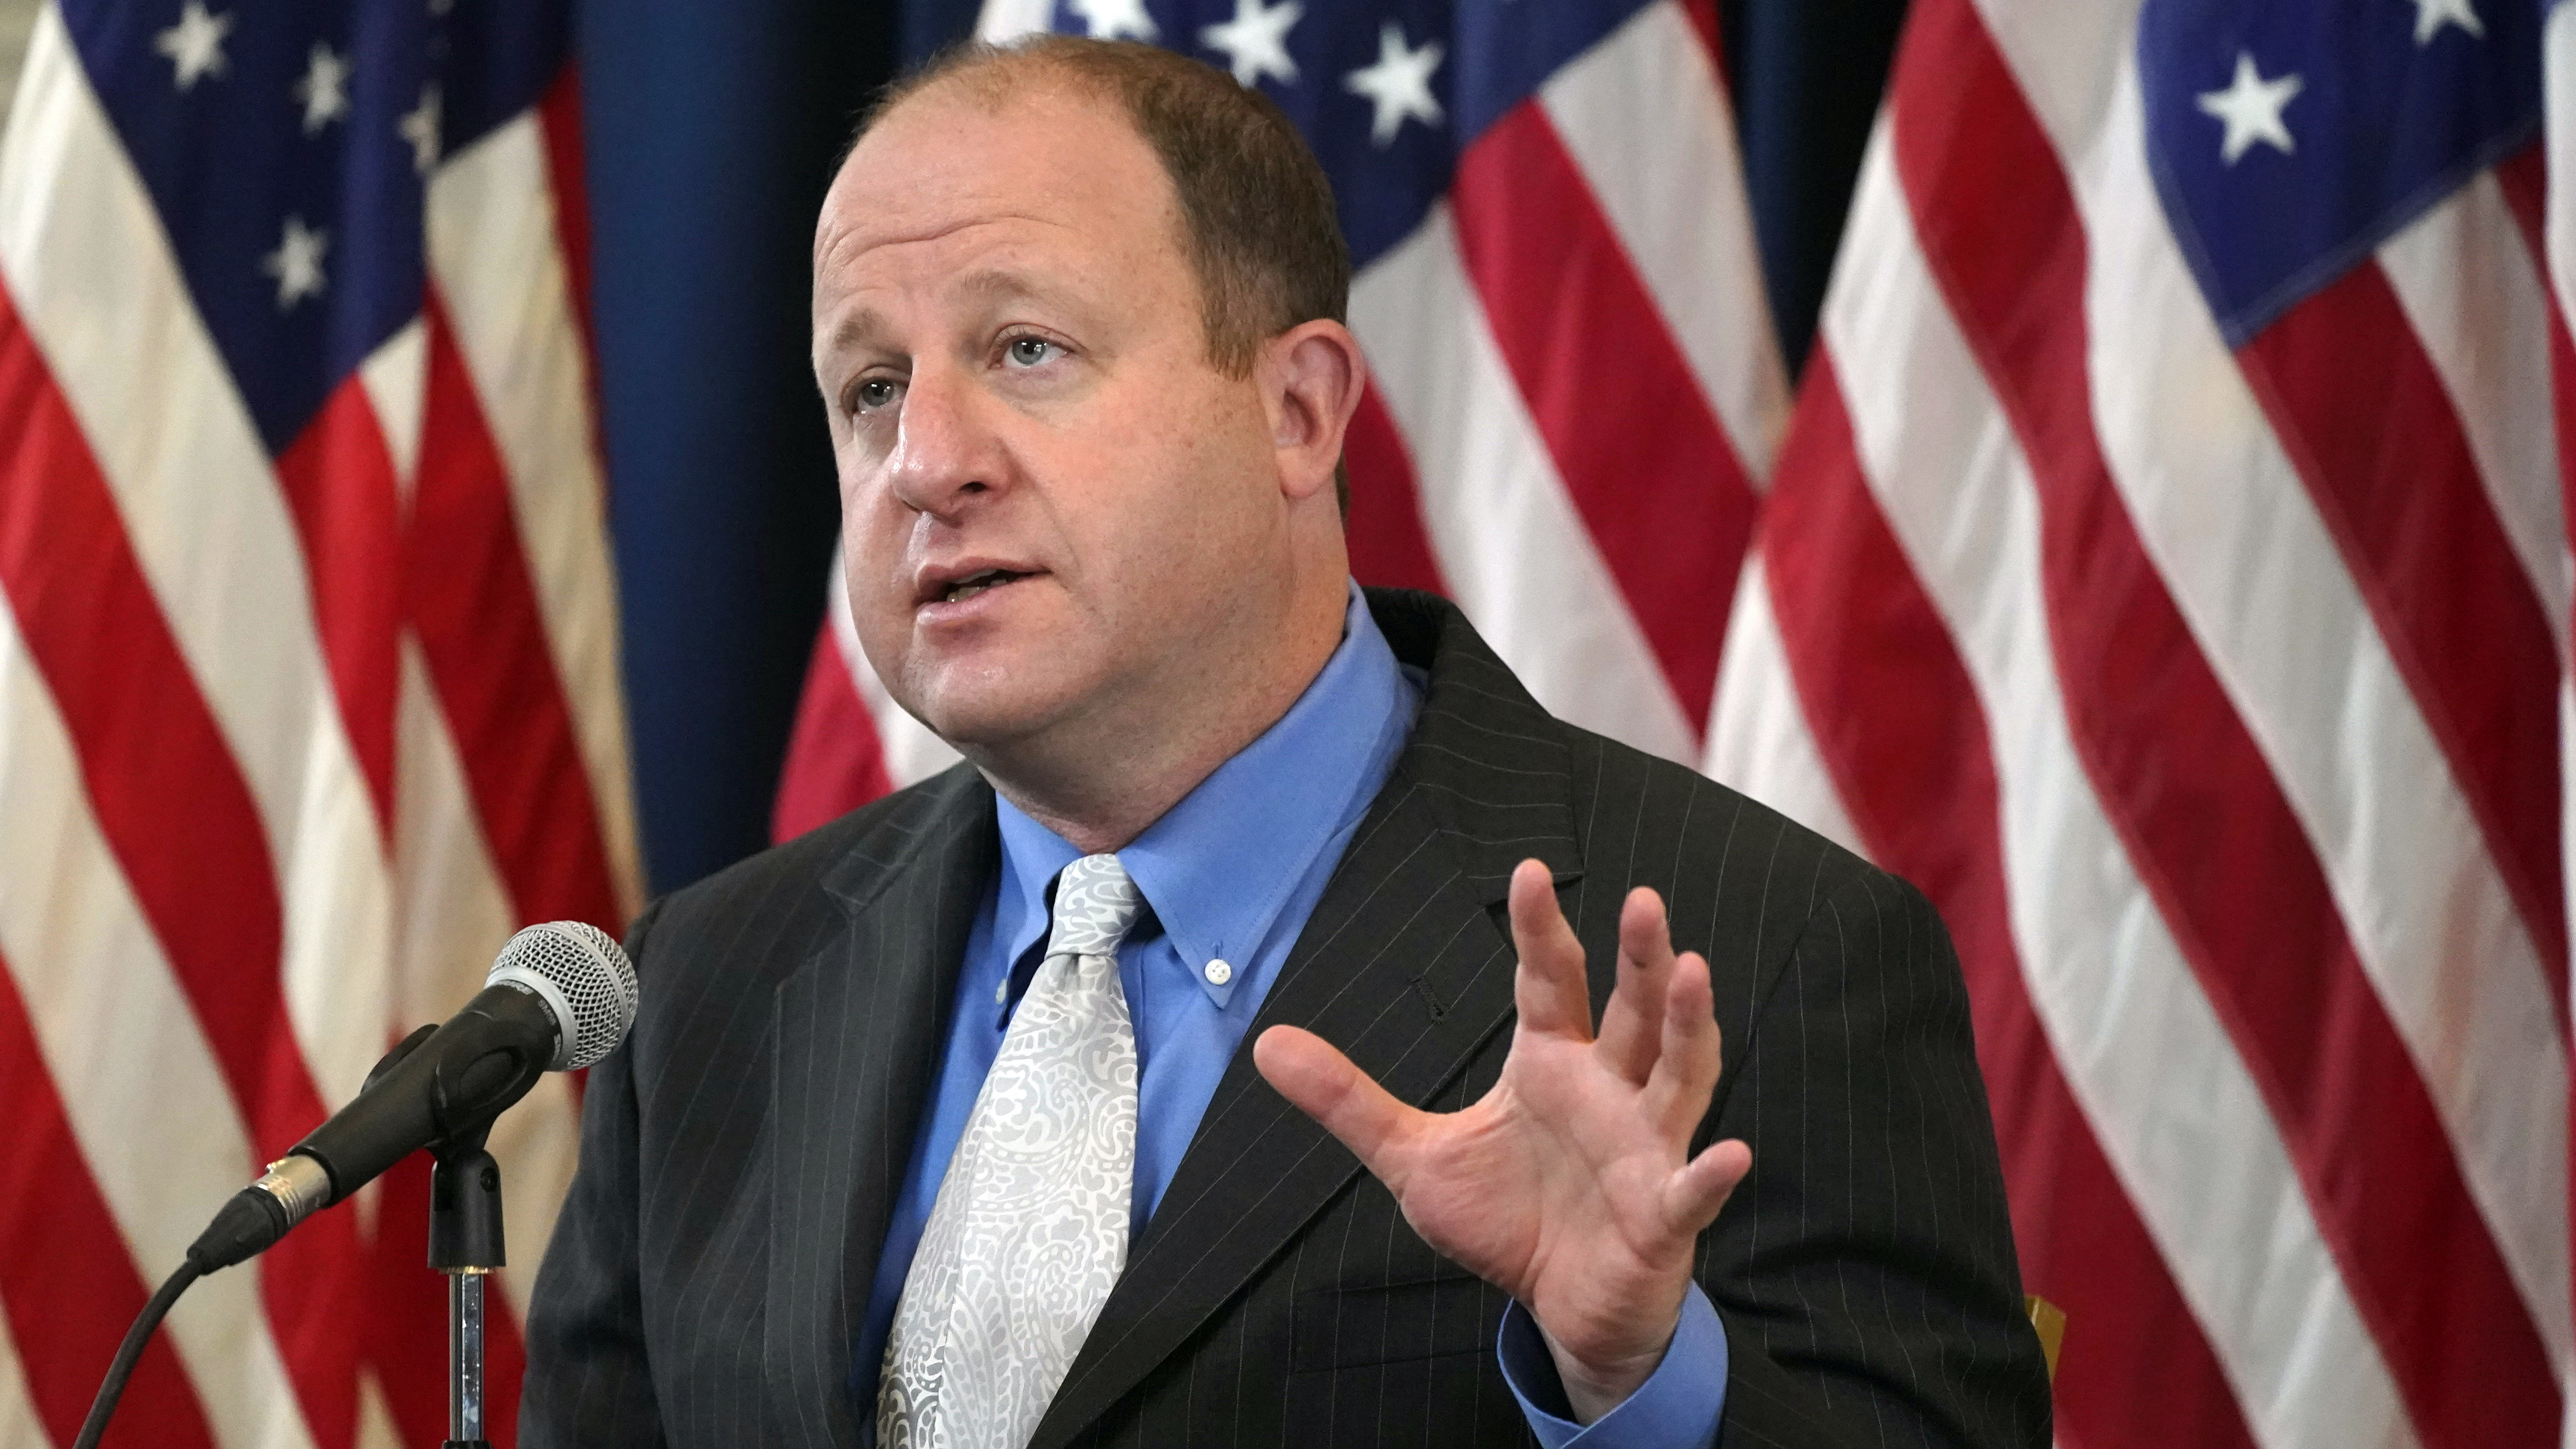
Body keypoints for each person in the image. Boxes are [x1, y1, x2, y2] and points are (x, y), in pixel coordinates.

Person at [523, 35, 2049, 1449]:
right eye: (870, 388)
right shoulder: (708, 996)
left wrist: (1636, 1374)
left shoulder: (1766, 954)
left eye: (1028, 349)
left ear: (1300, 412)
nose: (927, 461)